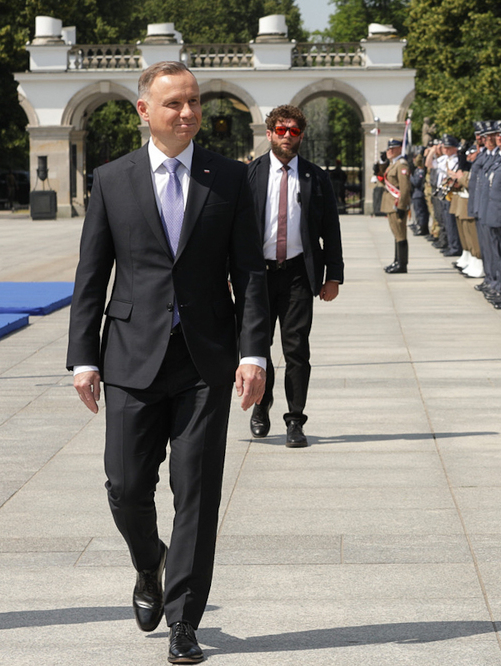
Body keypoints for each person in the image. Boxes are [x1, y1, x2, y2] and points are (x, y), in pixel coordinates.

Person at [67, 61, 269, 663]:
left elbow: (249, 273)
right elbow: (92, 273)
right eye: (174, 104)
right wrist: (84, 358)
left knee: (197, 493)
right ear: (144, 111)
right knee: (126, 486)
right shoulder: (112, 178)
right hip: (130, 358)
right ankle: (147, 562)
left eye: (194, 102)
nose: (187, 113)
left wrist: (254, 352)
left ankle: (184, 622)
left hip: (205, 361)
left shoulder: (230, 179)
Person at [246, 104, 344, 447]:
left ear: (302, 135)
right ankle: (261, 404)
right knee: (258, 346)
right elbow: (234, 231)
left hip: (299, 275)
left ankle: (295, 420)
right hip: (258, 276)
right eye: (281, 130)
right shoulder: (250, 175)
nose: (288, 136)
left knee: (296, 350)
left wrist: (333, 276)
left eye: (295, 131)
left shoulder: (316, 177)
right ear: (270, 133)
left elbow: (331, 229)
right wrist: (229, 272)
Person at [381, 138, 413, 273]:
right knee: (396, 233)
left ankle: (402, 264)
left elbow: (405, 188)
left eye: (393, 148)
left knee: (400, 234)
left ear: (400, 149)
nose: (390, 151)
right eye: (389, 149)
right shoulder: (393, 164)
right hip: (391, 204)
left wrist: (402, 206)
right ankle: (397, 261)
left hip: (397, 205)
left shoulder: (401, 165)